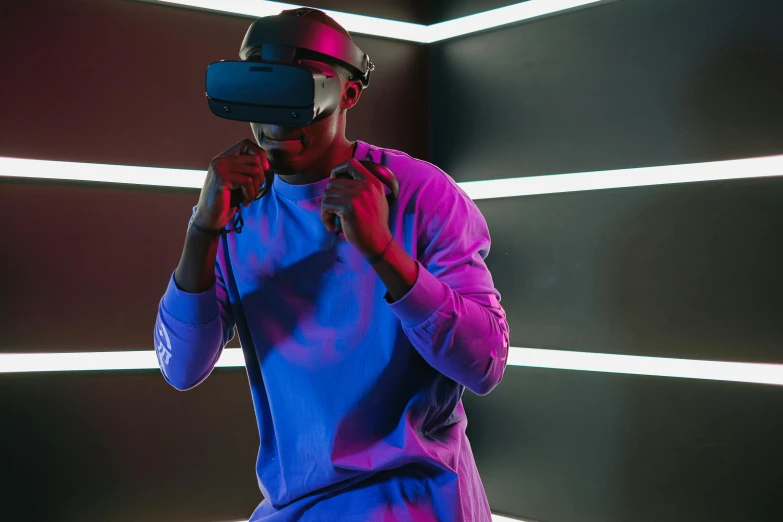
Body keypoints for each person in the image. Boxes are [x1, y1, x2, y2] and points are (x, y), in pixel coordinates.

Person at [154, 7, 509, 522]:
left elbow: (486, 364)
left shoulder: (423, 193)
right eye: (263, 95)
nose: (275, 125)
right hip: (296, 504)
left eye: (297, 98)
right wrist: (202, 230)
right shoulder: (240, 207)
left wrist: (382, 250)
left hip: (416, 500)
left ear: (347, 93)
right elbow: (180, 367)